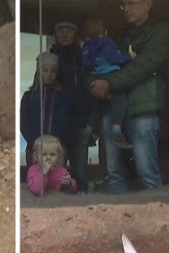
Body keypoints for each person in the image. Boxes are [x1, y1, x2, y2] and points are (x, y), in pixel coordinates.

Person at [90, 0, 169, 194]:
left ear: (148, 4)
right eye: (123, 5)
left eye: (132, 3)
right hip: (114, 107)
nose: (127, 9)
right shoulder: (119, 35)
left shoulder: (161, 32)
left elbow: (144, 66)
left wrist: (109, 82)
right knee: (113, 172)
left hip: (143, 107)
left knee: (146, 171)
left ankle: (158, 221)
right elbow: (100, 64)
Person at [49, 21, 96, 193]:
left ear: (75, 34)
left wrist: (91, 124)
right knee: (56, 176)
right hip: (57, 129)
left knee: (81, 174)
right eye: (60, 31)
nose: (64, 35)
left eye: (68, 31)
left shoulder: (84, 58)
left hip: (80, 126)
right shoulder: (50, 59)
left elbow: (91, 94)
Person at [81, 17, 134, 150]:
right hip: (110, 75)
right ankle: (116, 130)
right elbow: (114, 58)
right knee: (120, 99)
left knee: (96, 106)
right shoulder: (106, 42)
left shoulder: (86, 46)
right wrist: (129, 57)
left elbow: (85, 64)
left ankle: (88, 131)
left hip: (96, 75)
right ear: (104, 32)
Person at [20, 52, 72, 170]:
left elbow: (64, 121)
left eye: (53, 71)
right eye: (45, 70)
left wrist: (52, 142)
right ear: (39, 72)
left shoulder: (62, 97)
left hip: (56, 147)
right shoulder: (29, 97)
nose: (49, 74)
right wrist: (35, 141)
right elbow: (24, 122)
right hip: (34, 147)